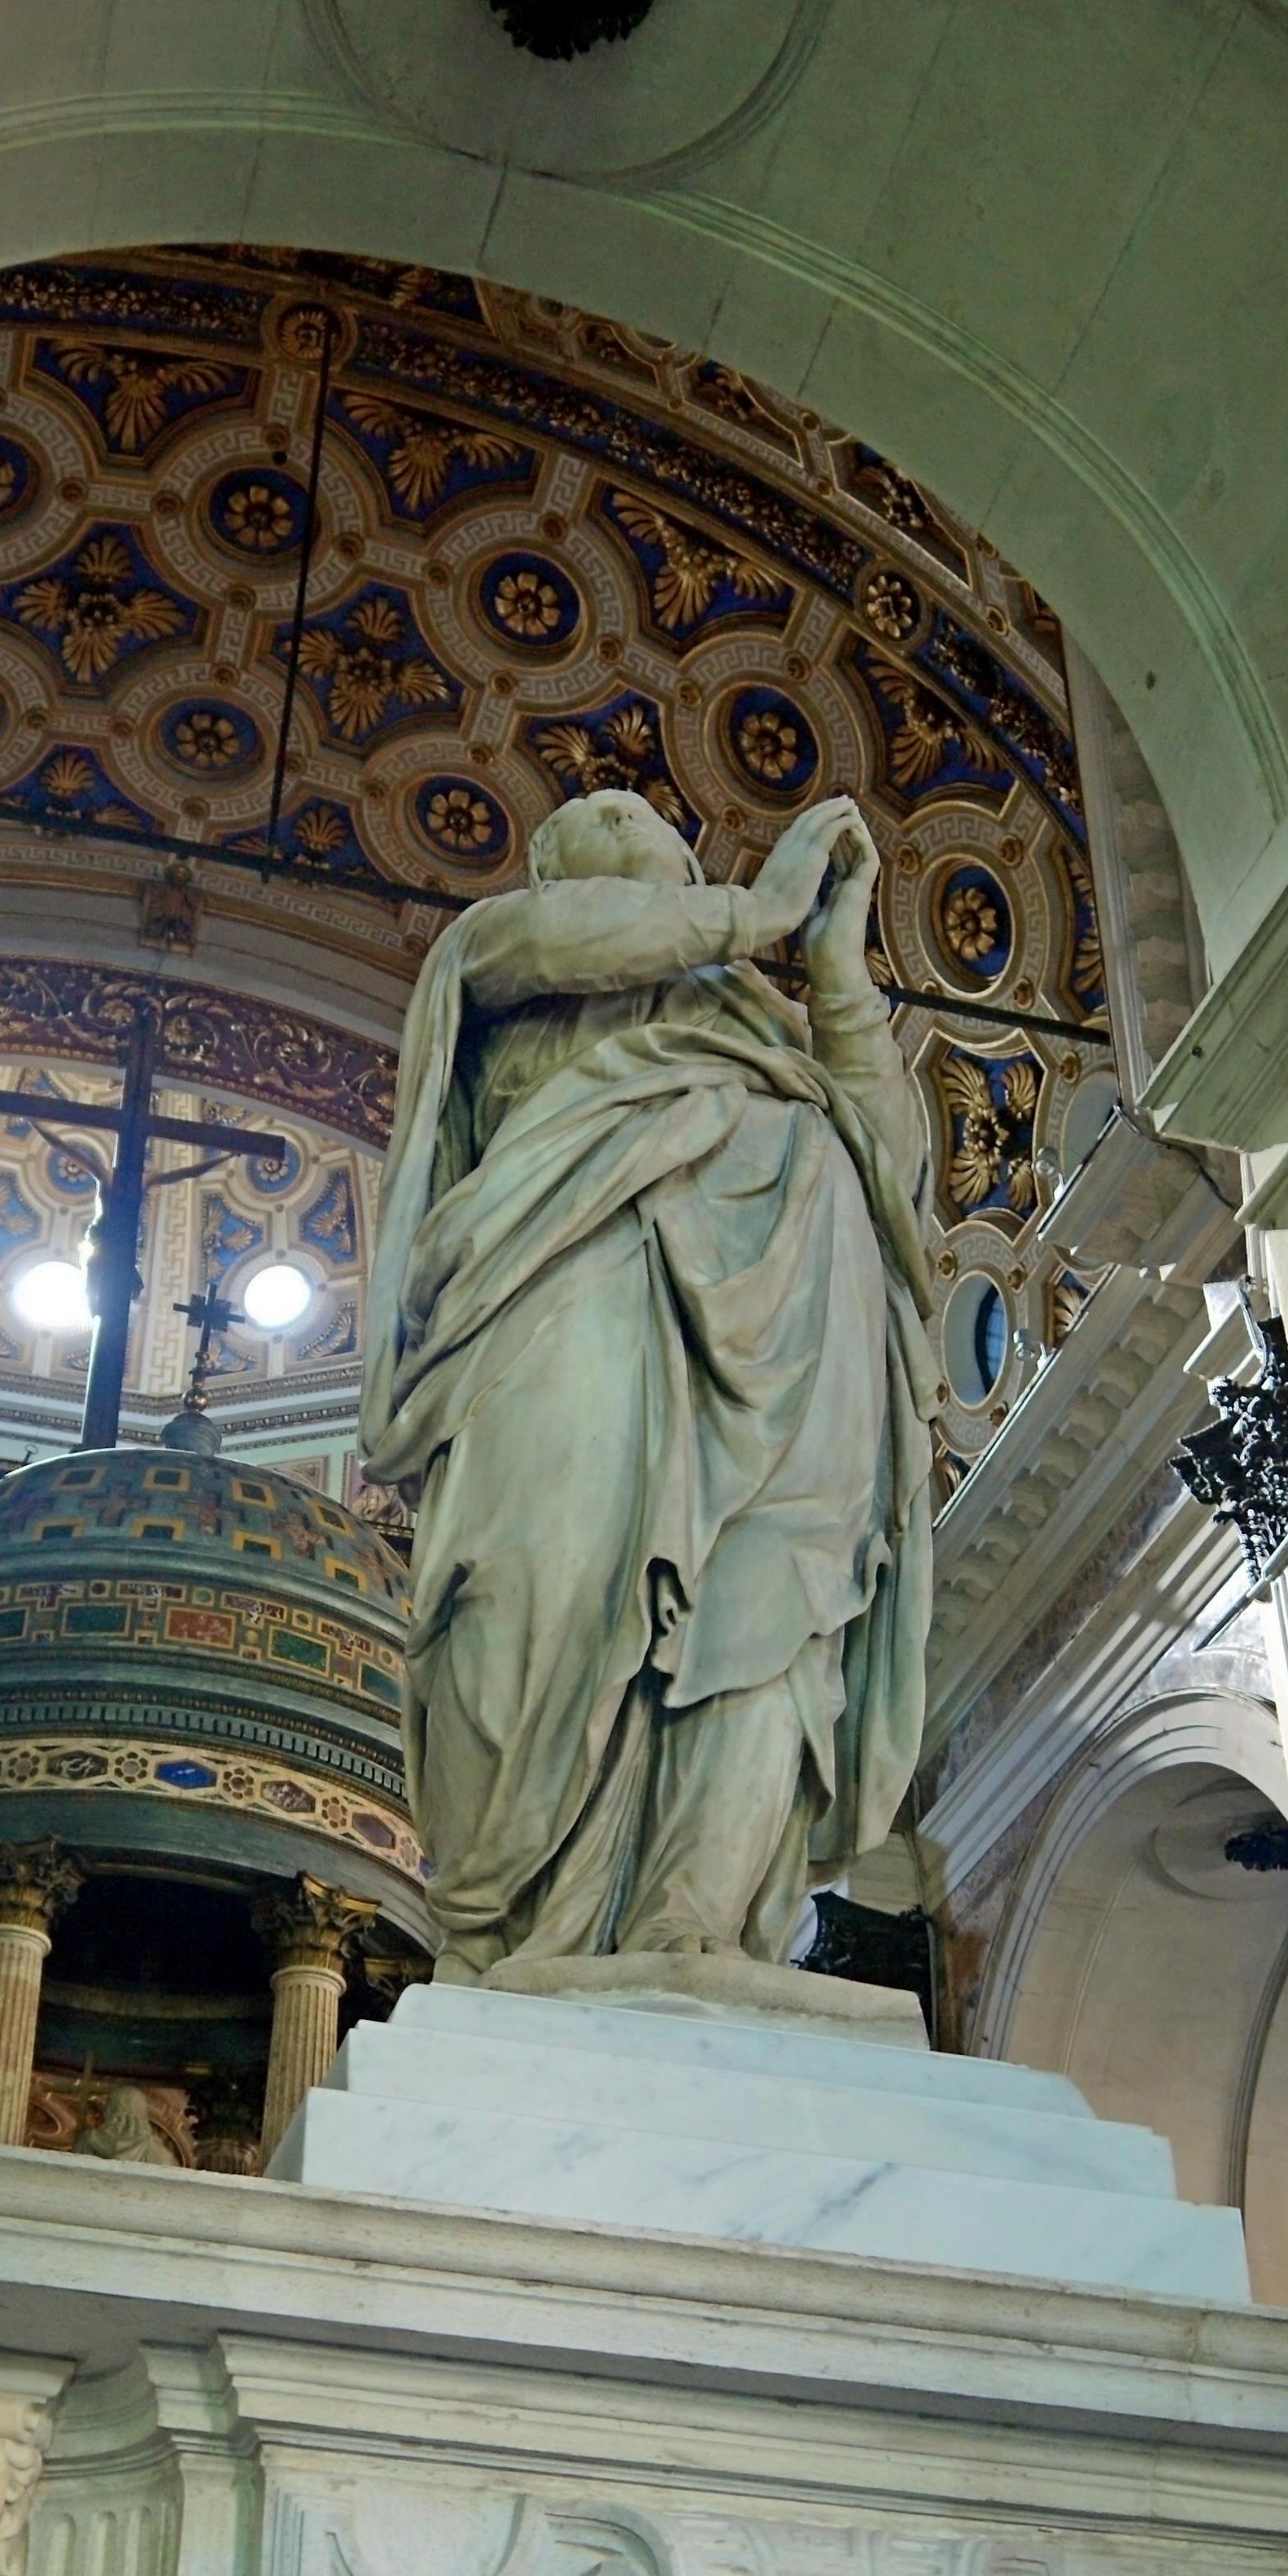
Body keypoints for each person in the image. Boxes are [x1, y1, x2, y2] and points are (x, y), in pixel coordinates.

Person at [361, 784, 936, 1980]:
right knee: (531, 1576)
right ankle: (509, 1928)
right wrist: (761, 904)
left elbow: (888, 1162)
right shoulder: (501, 952)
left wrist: (831, 972)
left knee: (772, 1608)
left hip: (797, 1293)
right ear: (544, 869)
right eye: (594, 822)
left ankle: (695, 1921)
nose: (625, 827)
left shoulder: (754, 1010)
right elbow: (578, 937)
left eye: (638, 815)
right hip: (572, 1266)